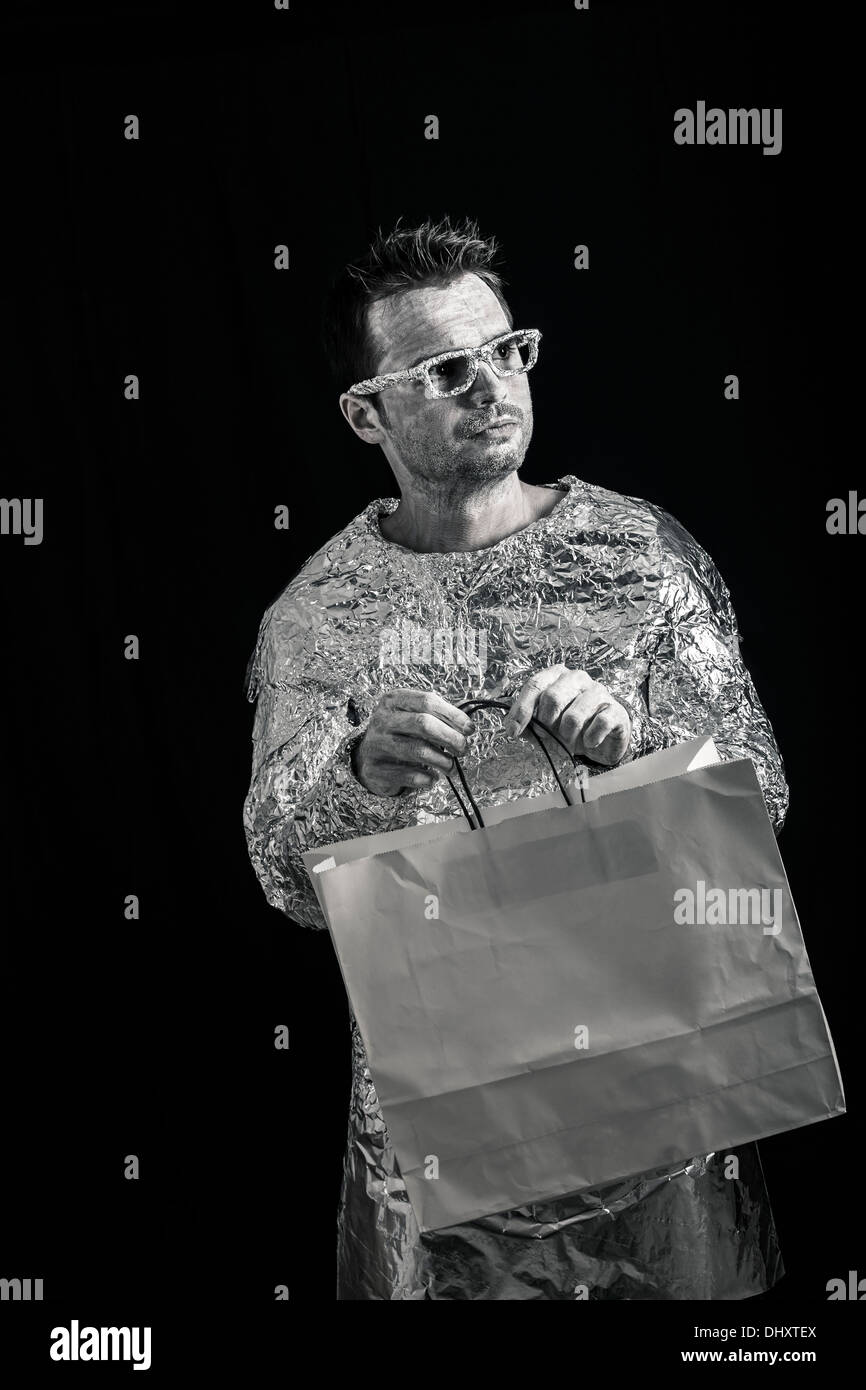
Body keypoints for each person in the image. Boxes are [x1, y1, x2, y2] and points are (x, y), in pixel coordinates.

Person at [243, 215, 788, 1300]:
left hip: (656, 1101)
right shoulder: (315, 619)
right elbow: (279, 871)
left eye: (506, 350)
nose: (490, 385)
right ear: (366, 412)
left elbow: (760, 793)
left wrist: (636, 751)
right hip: (443, 1128)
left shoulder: (637, 557)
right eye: (446, 368)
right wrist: (355, 773)